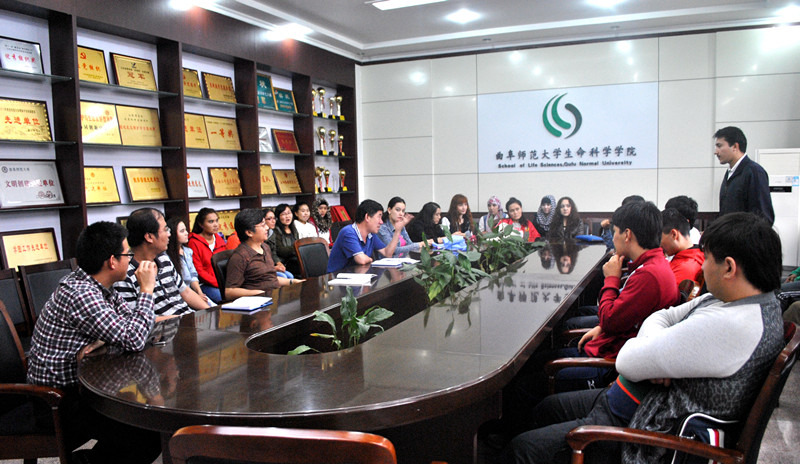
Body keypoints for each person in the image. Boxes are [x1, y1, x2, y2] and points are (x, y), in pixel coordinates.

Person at [504, 212, 784, 464]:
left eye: (708, 258)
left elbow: (627, 360)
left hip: (640, 432)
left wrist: (651, 348)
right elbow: (663, 316)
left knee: (522, 449)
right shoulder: (736, 302)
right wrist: (656, 347)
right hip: (634, 401)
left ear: (729, 268)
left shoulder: (733, 326)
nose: (703, 266)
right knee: (546, 409)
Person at [504, 201, 680, 430]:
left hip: (609, 364)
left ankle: (514, 435)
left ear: (627, 235)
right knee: (535, 361)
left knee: (525, 384)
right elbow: (617, 318)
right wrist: (603, 326)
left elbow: (609, 319)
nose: (613, 238)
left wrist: (611, 279)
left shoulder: (649, 275)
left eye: (615, 232)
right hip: (609, 347)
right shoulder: (652, 266)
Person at [26, 221, 162, 464]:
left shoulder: (99, 286)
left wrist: (105, 339)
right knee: (146, 433)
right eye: (127, 254)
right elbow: (134, 338)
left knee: (145, 428)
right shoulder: (82, 294)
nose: (131, 260)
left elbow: (134, 327)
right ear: (112, 261)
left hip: (84, 389)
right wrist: (147, 290)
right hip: (57, 402)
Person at [114, 208, 209, 316]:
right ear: (149, 237)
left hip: (187, 318)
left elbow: (186, 292)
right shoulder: (125, 274)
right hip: (168, 325)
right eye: (165, 230)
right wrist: (181, 319)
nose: (169, 234)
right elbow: (136, 319)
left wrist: (212, 311)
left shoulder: (164, 259)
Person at [225, 208, 302, 299]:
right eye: (263, 225)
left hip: (275, 298)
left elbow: (271, 279)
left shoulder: (265, 247)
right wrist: (258, 293)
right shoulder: (240, 256)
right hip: (259, 302)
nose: (267, 228)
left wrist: (292, 282)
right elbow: (229, 292)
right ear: (249, 232)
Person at [327, 199, 411, 273]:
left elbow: (387, 253)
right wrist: (371, 259)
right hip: (337, 279)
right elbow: (361, 260)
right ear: (367, 217)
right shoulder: (348, 232)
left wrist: (397, 231)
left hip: (357, 277)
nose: (381, 222)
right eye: (379, 217)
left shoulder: (370, 234)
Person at [715, 126, 774, 224]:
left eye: (719, 146)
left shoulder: (754, 172)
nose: (716, 152)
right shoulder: (730, 173)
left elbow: (764, 217)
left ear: (735, 147)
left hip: (744, 234)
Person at [165, 216, 209, 303]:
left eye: (185, 230)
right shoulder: (167, 256)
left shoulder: (187, 251)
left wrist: (200, 293)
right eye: (182, 231)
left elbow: (193, 276)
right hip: (180, 297)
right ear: (172, 234)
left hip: (192, 292)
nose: (186, 233)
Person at [187, 207, 226, 303]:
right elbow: (199, 271)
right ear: (201, 224)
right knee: (225, 298)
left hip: (223, 283)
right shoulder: (194, 242)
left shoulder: (219, 240)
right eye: (211, 222)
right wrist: (220, 284)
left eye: (216, 220)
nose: (215, 224)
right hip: (204, 285)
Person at [660, 208, 704, 284]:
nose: (659, 244)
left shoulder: (684, 268)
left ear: (674, 234)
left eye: (659, 238)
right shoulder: (696, 256)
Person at [267, 203, 301, 275]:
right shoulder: (275, 231)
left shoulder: (293, 228)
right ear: (278, 217)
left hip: (295, 259)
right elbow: (281, 250)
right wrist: (296, 247)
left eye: (289, 213)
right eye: (283, 214)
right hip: (284, 262)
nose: (287, 216)